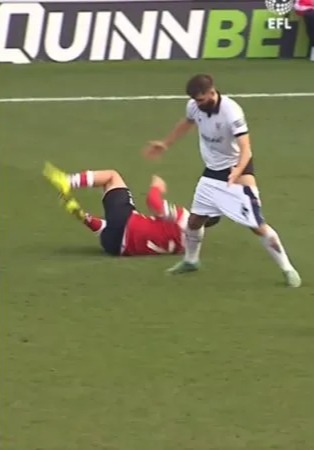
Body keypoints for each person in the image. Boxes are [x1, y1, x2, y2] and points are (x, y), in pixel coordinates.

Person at [143, 73, 301, 287]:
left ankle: (287, 269)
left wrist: (237, 172)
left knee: (256, 223)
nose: (198, 104)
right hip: (212, 172)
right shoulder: (195, 106)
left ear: (211, 92)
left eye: (201, 99)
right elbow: (187, 122)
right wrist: (166, 143)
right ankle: (191, 261)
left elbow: (246, 148)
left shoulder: (231, 112)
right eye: (195, 101)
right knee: (195, 221)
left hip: (236, 169)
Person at [43, 162, 192, 256]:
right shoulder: (188, 246)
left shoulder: (184, 218)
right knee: (110, 228)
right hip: (115, 247)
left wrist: (157, 186)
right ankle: (86, 218)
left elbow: (153, 202)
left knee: (112, 177)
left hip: (126, 222)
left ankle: (67, 181)